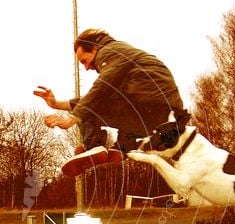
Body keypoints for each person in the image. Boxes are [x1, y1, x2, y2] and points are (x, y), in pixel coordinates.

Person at [34, 28, 188, 177]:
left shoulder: (109, 51)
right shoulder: (121, 53)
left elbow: (101, 88)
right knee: (106, 99)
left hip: (153, 108)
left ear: (94, 49)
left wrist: (71, 119)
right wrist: (56, 104)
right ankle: (122, 147)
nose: (86, 67)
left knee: (94, 103)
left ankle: (93, 146)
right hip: (165, 115)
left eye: (84, 61)